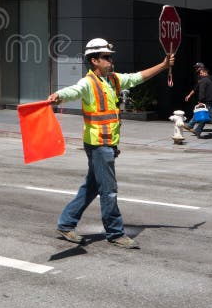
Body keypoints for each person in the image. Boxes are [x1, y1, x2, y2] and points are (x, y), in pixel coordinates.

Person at [46, 38, 175, 249]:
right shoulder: (88, 83)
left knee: (91, 187)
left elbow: (137, 78)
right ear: (94, 60)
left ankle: (66, 223)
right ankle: (115, 233)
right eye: (106, 57)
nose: (110, 60)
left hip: (107, 144)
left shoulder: (113, 80)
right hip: (98, 145)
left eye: (110, 56)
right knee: (109, 190)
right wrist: (58, 96)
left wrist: (163, 65)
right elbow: (73, 91)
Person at [188, 66, 212, 139]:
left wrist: (200, 101)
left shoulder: (203, 81)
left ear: (205, 72)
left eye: (201, 73)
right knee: (205, 117)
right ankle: (198, 130)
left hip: (206, 102)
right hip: (211, 101)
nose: (200, 74)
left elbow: (202, 92)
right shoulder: (210, 80)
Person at [182, 62, 206, 132]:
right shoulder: (200, 75)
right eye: (195, 67)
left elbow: (197, 88)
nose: (196, 68)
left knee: (202, 112)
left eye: (197, 67)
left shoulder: (201, 76)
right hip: (205, 97)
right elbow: (197, 87)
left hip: (205, 97)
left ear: (201, 68)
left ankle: (190, 125)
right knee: (204, 113)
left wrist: (201, 98)